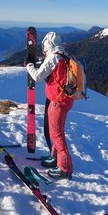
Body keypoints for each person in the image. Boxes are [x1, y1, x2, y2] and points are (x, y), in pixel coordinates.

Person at [26, 32, 73, 180]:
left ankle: (65, 169)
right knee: (56, 131)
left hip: (57, 102)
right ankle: (54, 158)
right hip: (65, 100)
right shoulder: (64, 55)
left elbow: (38, 76)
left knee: (57, 134)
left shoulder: (54, 57)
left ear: (48, 43)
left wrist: (29, 66)